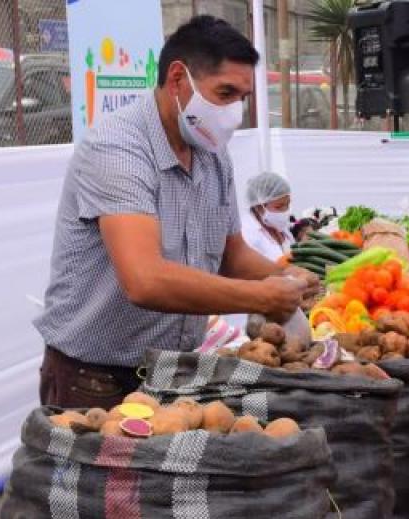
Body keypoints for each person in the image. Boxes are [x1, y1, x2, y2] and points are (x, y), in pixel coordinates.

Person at [34, 16, 318, 410]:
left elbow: (230, 255)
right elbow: (144, 280)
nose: (235, 111)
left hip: (174, 372)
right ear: (177, 80)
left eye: (243, 98)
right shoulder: (118, 148)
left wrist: (285, 277)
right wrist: (260, 295)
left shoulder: (213, 154)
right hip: (94, 378)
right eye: (225, 93)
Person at [242, 172, 295, 261]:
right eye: (279, 206)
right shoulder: (247, 234)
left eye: (288, 204)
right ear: (259, 206)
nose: (285, 211)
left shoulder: (278, 226)